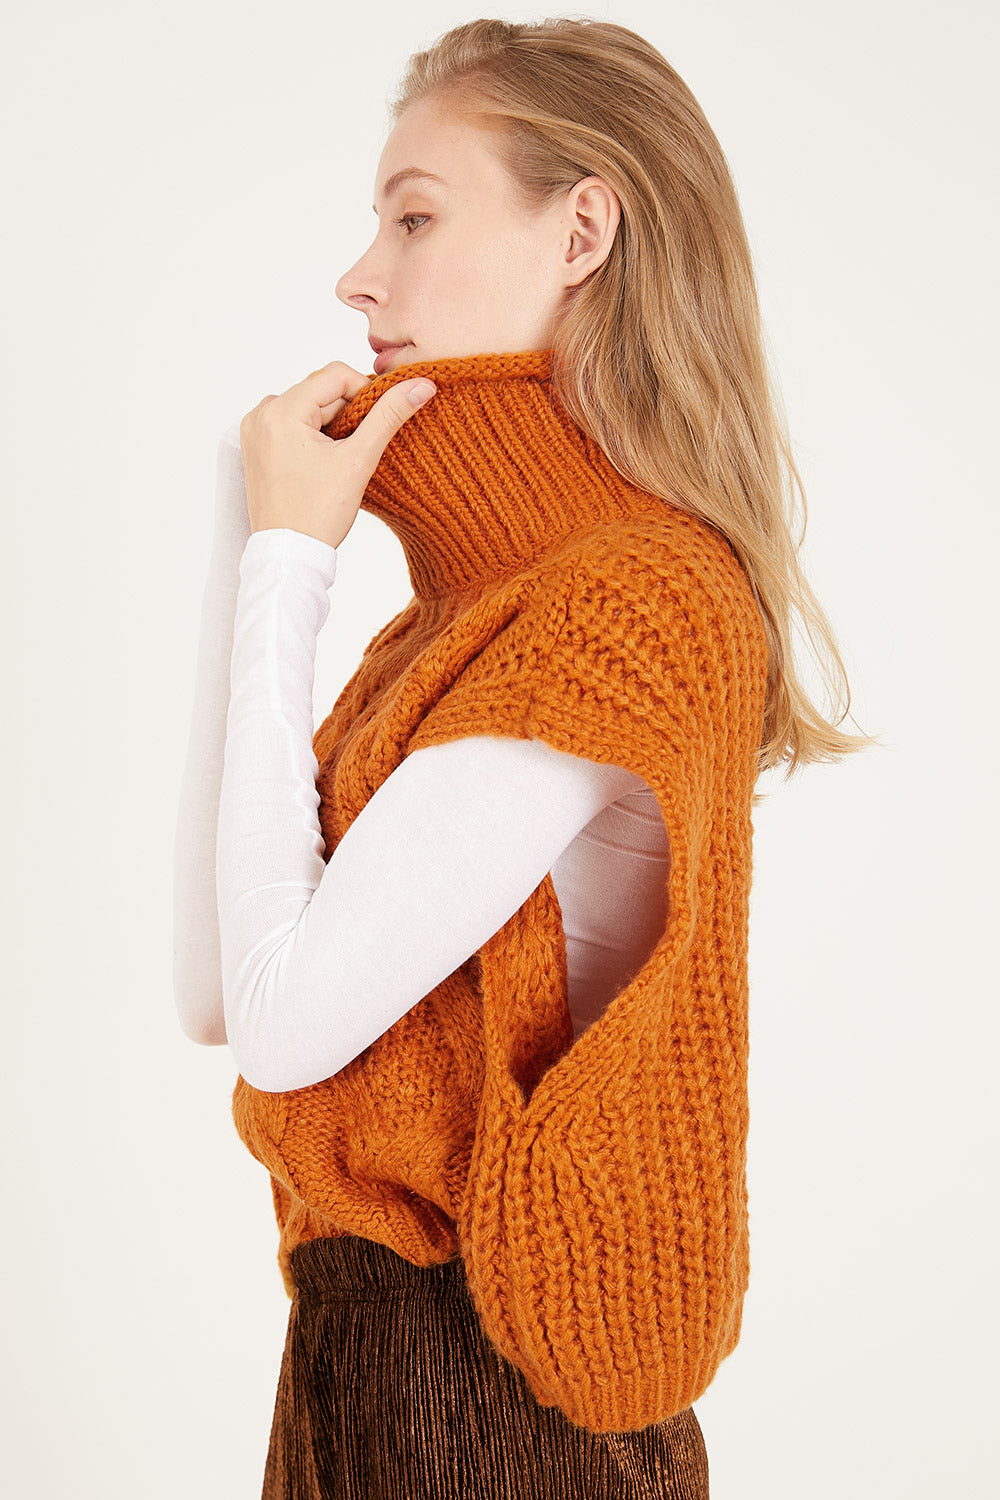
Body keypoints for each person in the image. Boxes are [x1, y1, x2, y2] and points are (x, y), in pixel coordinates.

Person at [173, 16, 874, 1499]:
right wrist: (252, 550)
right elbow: (217, 993)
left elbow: (285, 1027)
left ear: (583, 230)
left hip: (490, 1405)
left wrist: (291, 564)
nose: (360, 275)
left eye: (415, 217)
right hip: (361, 1381)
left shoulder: (631, 602)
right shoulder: (450, 629)